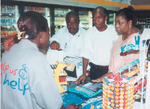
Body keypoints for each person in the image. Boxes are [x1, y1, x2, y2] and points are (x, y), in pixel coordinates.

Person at [1, 11, 78, 109]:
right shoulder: (36, 58)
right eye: (48, 32)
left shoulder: (8, 52)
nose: (49, 36)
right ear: (41, 35)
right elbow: (51, 102)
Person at [92, 6, 140, 83]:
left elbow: (130, 69)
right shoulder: (121, 36)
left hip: (124, 85)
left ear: (129, 23)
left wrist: (108, 75)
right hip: (113, 81)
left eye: (120, 23)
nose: (116, 26)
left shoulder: (135, 41)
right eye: (115, 23)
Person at [76, 6, 119, 84]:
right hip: (95, 71)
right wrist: (84, 73)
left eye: (99, 18)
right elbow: (86, 54)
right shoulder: (89, 33)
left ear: (105, 18)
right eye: (94, 18)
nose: (96, 21)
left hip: (110, 71)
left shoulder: (114, 31)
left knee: (110, 94)